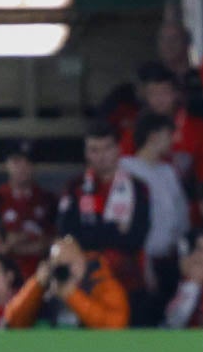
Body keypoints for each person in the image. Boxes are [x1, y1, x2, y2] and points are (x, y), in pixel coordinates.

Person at [55, 121, 151, 296]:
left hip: (127, 281)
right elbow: (66, 233)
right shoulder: (74, 187)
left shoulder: (137, 188)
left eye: (107, 148)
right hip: (84, 280)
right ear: (86, 153)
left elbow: (136, 238)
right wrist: (114, 230)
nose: (101, 156)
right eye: (94, 150)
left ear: (118, 149)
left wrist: (91, 232)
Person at [120, 112, 192, 323]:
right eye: (169, 135)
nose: (173, 141)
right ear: (153, 136)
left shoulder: (168, 171)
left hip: (169, 260)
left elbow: (181, 217)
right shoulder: (126, 169)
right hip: (138, 260)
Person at [3, 235, 130, 330]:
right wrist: (36, 284)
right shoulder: (43, 285)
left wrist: (72, 295)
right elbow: (12, 322)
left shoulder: (103, 284)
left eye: (70, 263)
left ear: (82, 261)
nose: (65, 270)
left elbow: (115, 327)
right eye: (59, 265)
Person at [0, 141, 56, 279]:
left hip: (41, 274)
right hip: (4, 275)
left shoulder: (48, 199)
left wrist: (14, 243)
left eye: (27, 162)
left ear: (34, 167)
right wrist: (29, 240)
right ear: (7, 164)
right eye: (16, 161)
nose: (22, 167)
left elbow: (52, 242)